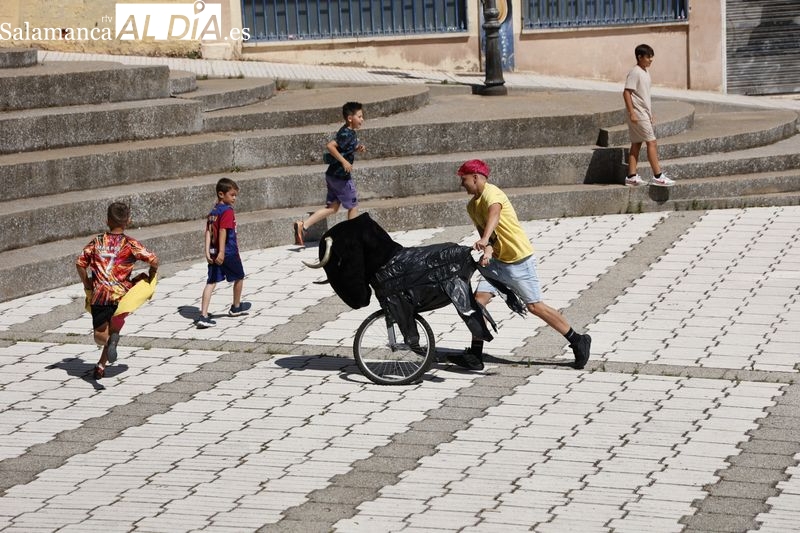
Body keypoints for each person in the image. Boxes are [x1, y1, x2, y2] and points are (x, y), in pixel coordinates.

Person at [450, 159, 591, 371]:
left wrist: (486, 237)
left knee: (534, 306)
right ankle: (476, 356)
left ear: (476, 177)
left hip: (518, 261)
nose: (462, 184)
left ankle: (578, 340)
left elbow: (494, 215)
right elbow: (487, 237)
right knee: (478, 302)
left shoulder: (492, 193)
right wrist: (487, 250)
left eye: (464, 179)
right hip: (497, 262)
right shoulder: (472, 206)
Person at [76, 202, 159, 380]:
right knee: (114, 329)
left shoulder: (97, 242)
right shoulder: (130, 243)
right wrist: (151, 274)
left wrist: (87, 284)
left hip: (100, 295)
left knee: (100, 335)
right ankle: (101, 364)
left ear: (107, 221)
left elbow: (80, 263)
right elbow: (153, 260)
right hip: (122, 297)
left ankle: (108, 345)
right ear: (128, 221)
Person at [293, 101, 366, 246]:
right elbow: (330, 146)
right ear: (350, 118)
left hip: (332, 176)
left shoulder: (348, 133)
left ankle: (303, 225)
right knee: (353, 206)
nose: (362, 119)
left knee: (332, 208)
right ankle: (352, 239)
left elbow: (344, 147)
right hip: (341, 178)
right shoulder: (347, 133)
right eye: (360, 116)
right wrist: (344, 161)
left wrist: (357, 149)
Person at [197, 178, 250, 328]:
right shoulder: (227, 211)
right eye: (232, 195)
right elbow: (222, 231)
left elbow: (207, 231)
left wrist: (207, 251)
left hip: (213, 252)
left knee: (211, 282)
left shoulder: (213, 211)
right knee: (239, 276)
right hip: (228, 252)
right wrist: (221, 251)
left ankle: (203, 315)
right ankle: (236, 307)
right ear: (221, 194)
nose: (234, 198)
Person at [623, 43, 674, 187]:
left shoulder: (645, 71)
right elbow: (627, 92)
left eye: (652, 57)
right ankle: (658, 176)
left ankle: (631, 176)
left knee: (636, 143)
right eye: (648, 57)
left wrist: (650, 113)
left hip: (643, 112)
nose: (651, 59)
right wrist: (632, 112)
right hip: (638, 113)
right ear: (640, 57)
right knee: (651, 142)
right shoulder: (635, 72)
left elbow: (643, 95)